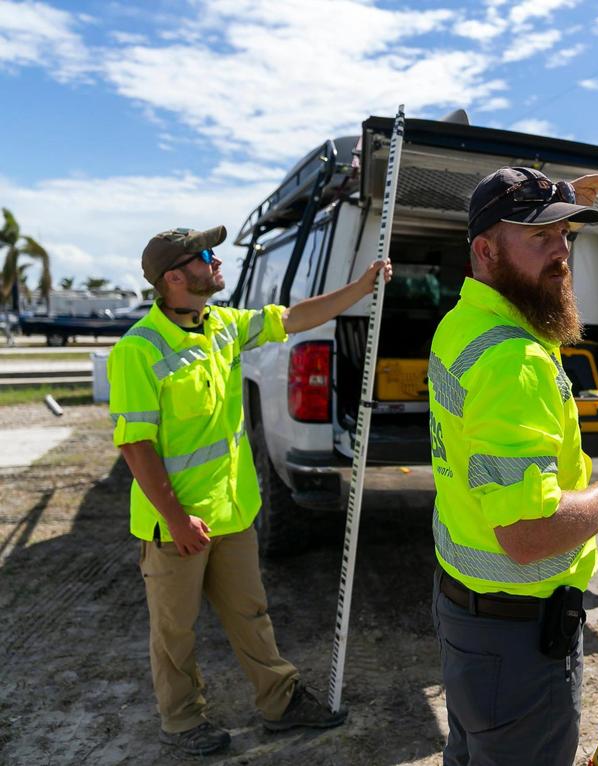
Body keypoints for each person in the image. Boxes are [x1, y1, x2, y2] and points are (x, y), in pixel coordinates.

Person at [107, 225, 392, 756]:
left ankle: (280, 703)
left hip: (233, 513)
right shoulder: (138, 350)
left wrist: (361, 287)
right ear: (175, 277)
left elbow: (296, 316)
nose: (219, 261)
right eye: (206, 256)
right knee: (175, 634)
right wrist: (174, 520)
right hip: (175, 526)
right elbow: (137, 446)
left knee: (251, 617)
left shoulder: (223, 326)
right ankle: (183, 722)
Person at [428, 167, 598, 764]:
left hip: (470, 617)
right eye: (540, 238)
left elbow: (537, 299)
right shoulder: (515, 361)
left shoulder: (467, 322)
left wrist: (559, 206)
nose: (561, 253)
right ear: (485, 251)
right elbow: (528, 536)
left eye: (566, 236)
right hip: (517, 638)